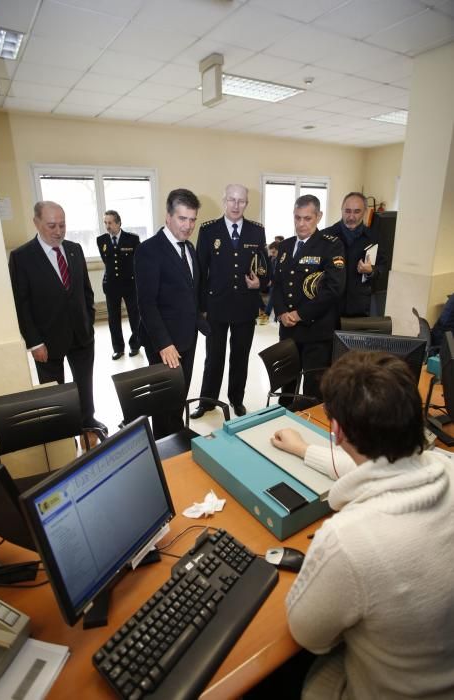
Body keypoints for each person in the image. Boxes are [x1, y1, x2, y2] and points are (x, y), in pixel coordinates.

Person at [274, 351, 454, 699]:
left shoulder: (348, 538)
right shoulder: (447, 468)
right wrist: (303, 450)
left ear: (337, 430)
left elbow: (308, 634)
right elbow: (388, 472)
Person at [8, 201, 107, 434]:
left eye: (62, 225)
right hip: (47, 340)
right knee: (56, 391)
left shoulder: (74, 249)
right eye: (51, 225)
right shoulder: (22, 257)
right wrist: (34, 342)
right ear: (36, 223)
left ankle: (87, 420)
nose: (58, 231)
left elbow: (85, 291)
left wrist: (89, 321)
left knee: (84, 382)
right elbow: (21, 305)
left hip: (81, 333)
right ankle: (63, 430)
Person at [134, 188, 208, 439]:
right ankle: (164, 446)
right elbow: (146, 303)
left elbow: (190, 293)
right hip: (163, 342)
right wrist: (164, 344)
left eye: (192, 219)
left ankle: (177, 436)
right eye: (182, 218)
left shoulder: (189, 248)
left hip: (187, 337)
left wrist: (204, 325)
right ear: (168, 217)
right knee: (164, 401)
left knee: (180, 394)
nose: (188, 226)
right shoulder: (149, 250)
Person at [191, 184, 268, 419]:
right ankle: (207, 402)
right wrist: (201, 308)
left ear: (247, 203)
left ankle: (237, 399)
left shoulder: (257, 231)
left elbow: (265, 267)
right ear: (224, 200)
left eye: (241, 201)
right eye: (232, 200)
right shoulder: (208, 230)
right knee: (214, 357)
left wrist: (261, 283)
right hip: (217, 306)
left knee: (240, 356)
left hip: (245, 306)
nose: (236, 205)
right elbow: (200, 272)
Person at [272, 194, 345, 402]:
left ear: (318, 217)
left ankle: (308, 431)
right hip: (288, 331)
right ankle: (282, 424)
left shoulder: (331, 246)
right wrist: (282, 312)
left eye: (307, 218)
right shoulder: (285, 246)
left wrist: (300, 313)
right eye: (297, 218)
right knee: (286, 386)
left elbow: (333, 289)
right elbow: (277, 284)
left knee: (313, 390)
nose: (301, 224)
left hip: (316, 332)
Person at [323, 192, 387, 317]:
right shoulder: (325, 236)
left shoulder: (374, 237)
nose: (351, 216)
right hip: (329, 307)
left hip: (360, 308)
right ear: (341, 210)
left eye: (357, 211)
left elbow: (383, 267)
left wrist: (371, 271)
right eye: (347, 211)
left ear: (365, 212)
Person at [96, 210, 141, 360]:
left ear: (119, 223)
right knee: (113, 318)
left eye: (110, 222)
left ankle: (135, 345)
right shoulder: (101, 240)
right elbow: (106, 261)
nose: (107, 226)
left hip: (130, 284)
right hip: (111, 285)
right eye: (105, 223)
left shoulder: (132, 239)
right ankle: (118, 348)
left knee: (135, 316)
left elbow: (138, 260)